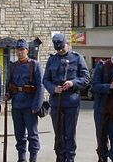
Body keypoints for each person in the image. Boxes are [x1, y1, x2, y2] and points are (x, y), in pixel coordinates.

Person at [43, 33, 90, 162]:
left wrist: (72, 83)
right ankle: (60, 157)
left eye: (62, 47)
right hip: (56, 103)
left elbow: (86, 78)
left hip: (71, 102)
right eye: (58, 49)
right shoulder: (52, 60)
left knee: (69, 134)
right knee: (59, 134)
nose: (60, 50)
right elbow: (46, 80)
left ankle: (70, 158)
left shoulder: (77, 58)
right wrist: (53, 88)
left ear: (67, 44)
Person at [5, 39, 44, 162]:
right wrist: (8, 94)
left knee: (32, 134)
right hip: (17, 104)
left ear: (27, 50)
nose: (20, 52)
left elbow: (40, 87)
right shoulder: (13, 66)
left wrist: (36, 106)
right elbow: (10, 84)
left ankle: (33, 158)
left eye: (22, 49)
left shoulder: (35, 65)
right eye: (18, 49)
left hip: (30, 105)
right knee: (19, 134)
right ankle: (21, 158)